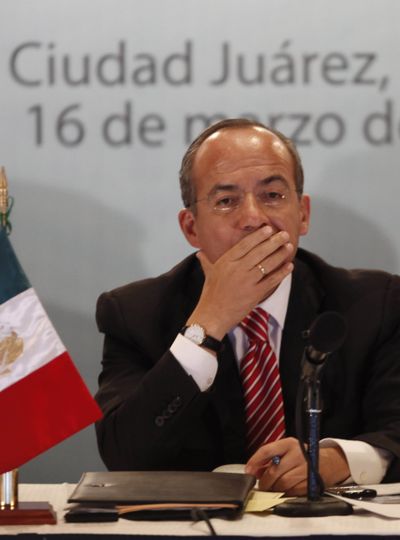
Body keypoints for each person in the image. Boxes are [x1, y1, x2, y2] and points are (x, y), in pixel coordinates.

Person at [95, 118, 400, 495]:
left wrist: (334, 458)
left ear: (302, 214)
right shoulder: (134, 313)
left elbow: (396, 429)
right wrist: (208, 323)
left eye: (272, 195)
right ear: (191, 227)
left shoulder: (376, 303)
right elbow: (124, 455)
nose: (254, 218)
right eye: (226, 201)